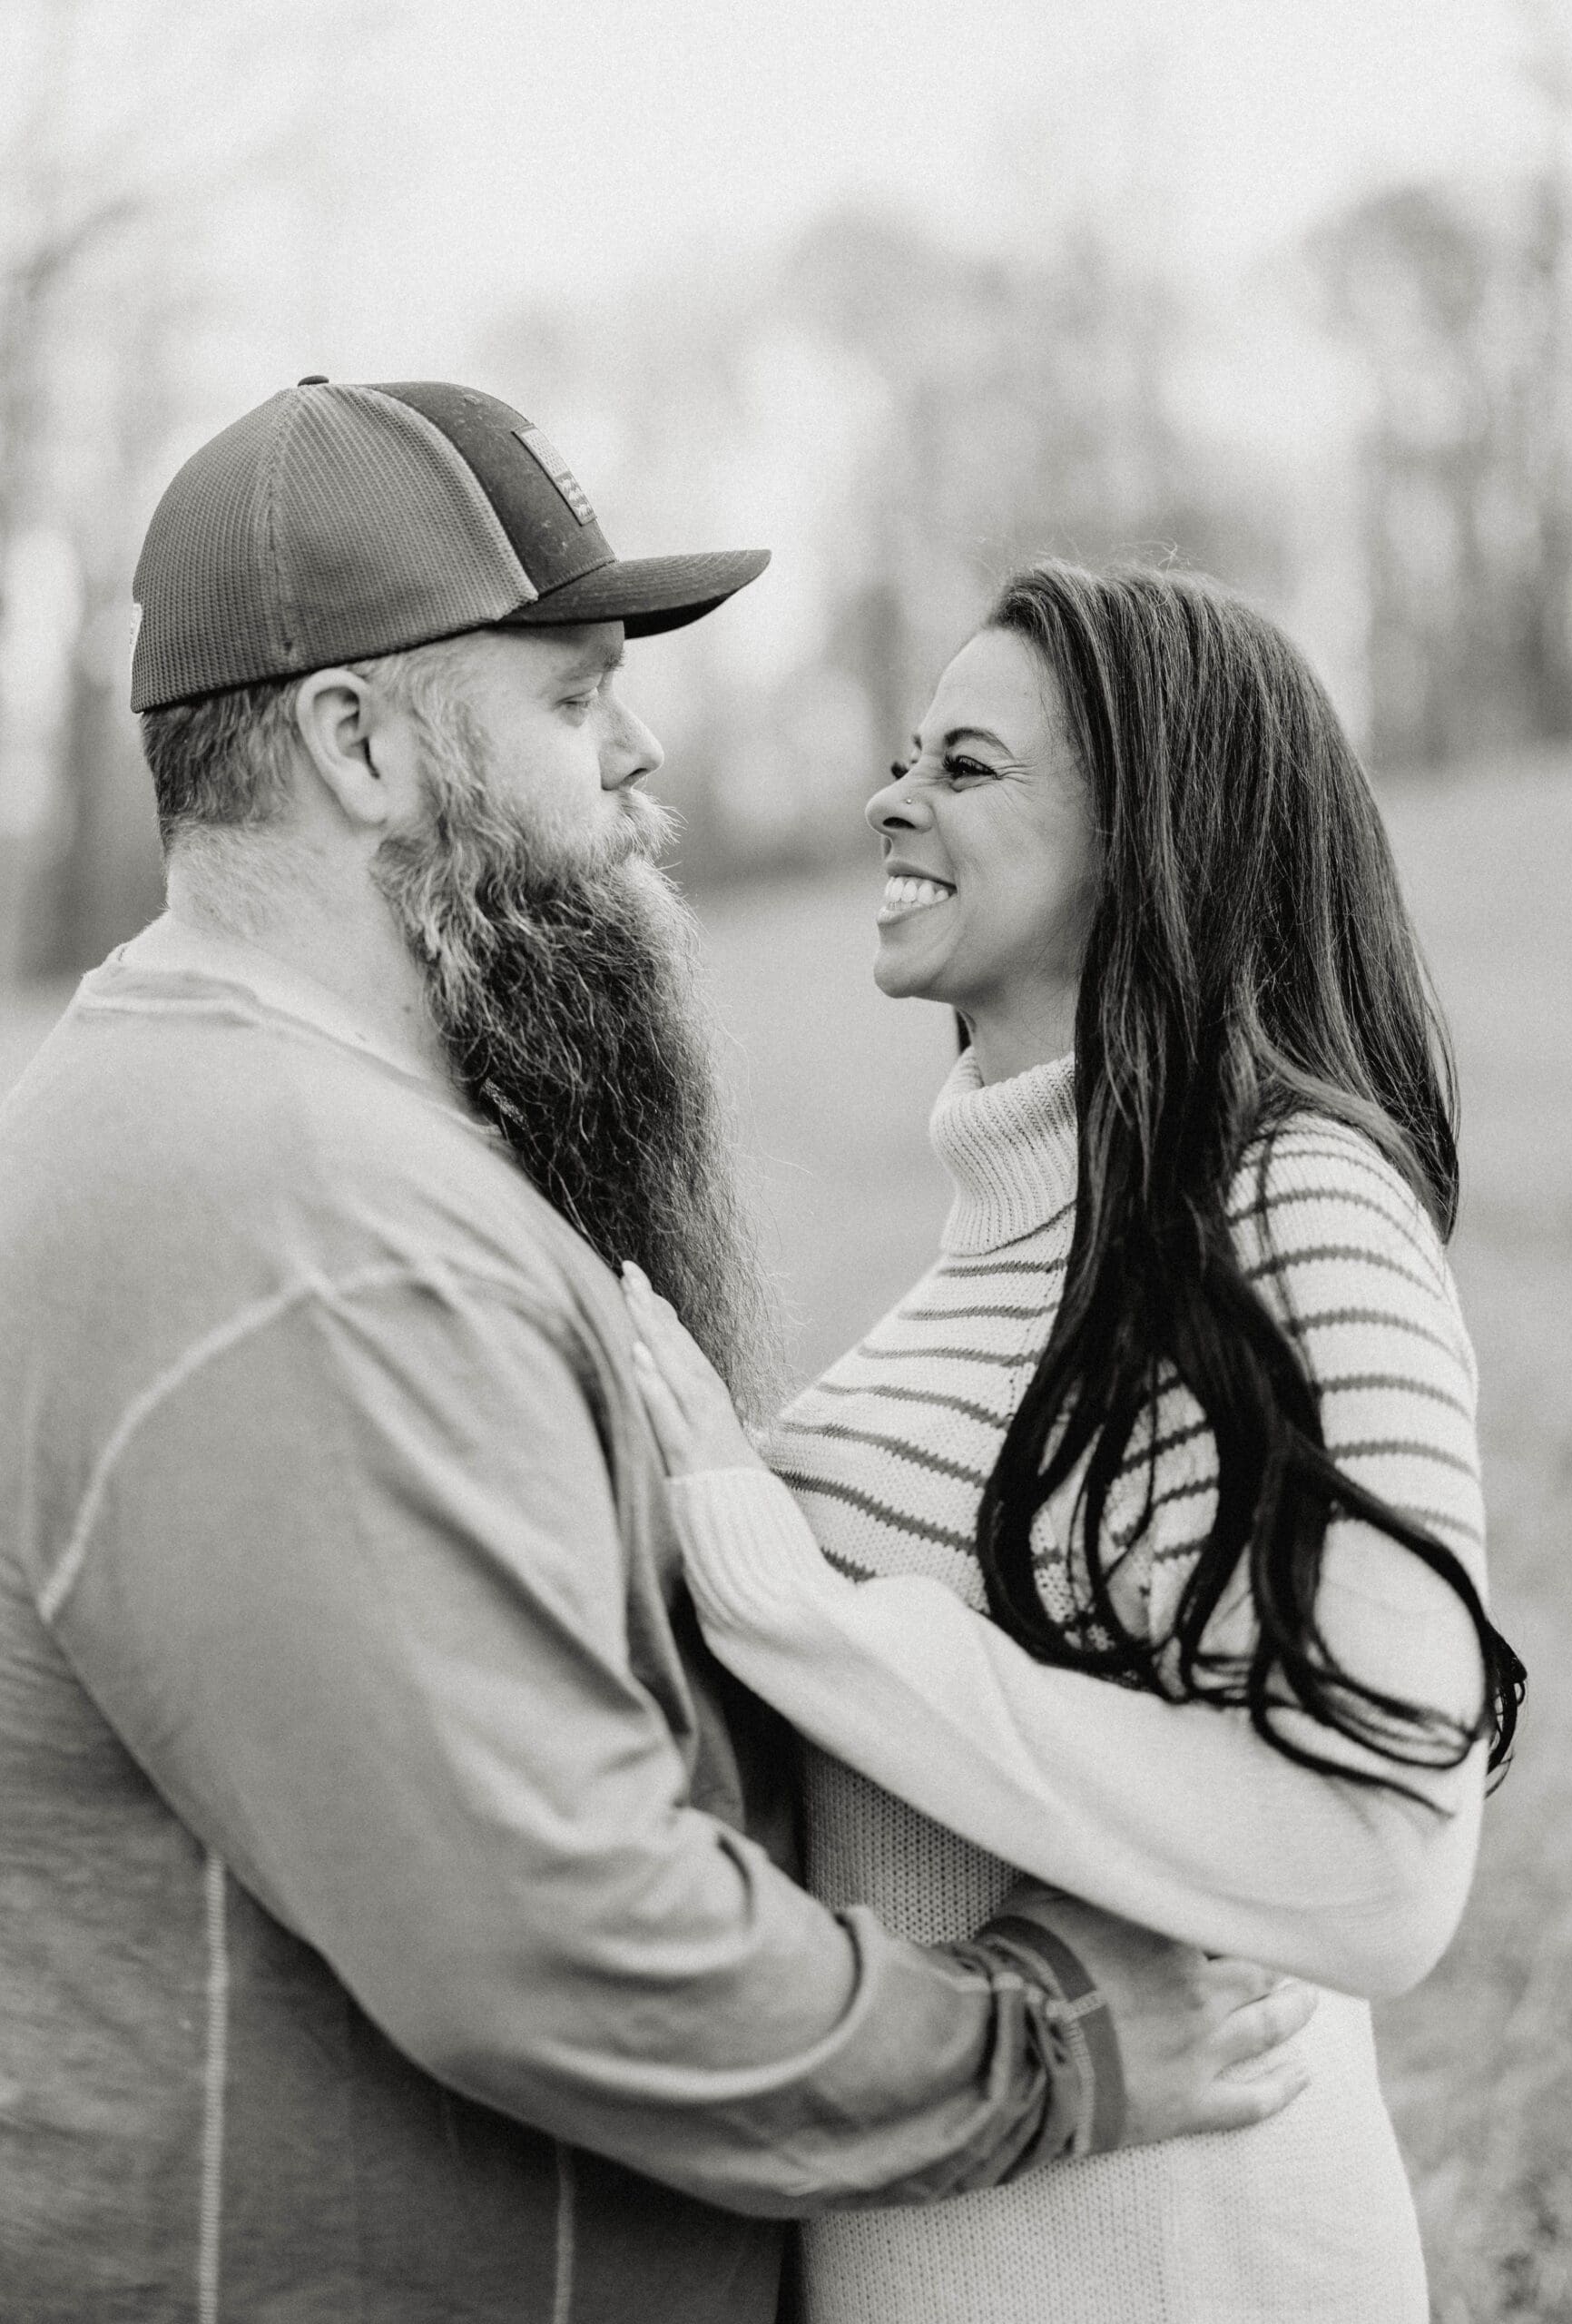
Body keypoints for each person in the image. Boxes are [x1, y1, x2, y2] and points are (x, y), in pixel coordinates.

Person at [0, 391, 1313, 2323]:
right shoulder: (299, 1223)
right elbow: (556, 1934)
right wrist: (1055, 2039)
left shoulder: (288, 1132)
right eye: (572, 695)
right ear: (356, 743)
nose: (639, 755)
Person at [624, 561, 1527, 2324]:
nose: (892, 797)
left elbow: (1379, 1865)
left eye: (965, 765)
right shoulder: (999, 1244)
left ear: (1150, 832)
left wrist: (809, 1616)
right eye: (903, 754)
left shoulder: (1287, 1207)